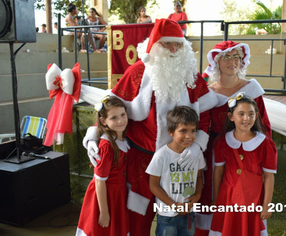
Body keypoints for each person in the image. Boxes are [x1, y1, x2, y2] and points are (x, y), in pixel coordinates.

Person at [82, 18, 217, 236]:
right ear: (154, 45)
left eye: (178, 44)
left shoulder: (191, 76)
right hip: (141, 158)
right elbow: (109, 107)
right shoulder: (136, 73)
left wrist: (197, 146)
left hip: (181, 160)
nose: (173, 49)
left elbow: (206, 113)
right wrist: (93, 136)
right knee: (138, 218)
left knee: (180, 215)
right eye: (167, 44)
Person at [195, 41, 271, 236]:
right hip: (215, 156)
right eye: (227, 57)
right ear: (216, 61)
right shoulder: (208, 93)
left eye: (236, 56)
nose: (232, 61)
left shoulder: (252, 90)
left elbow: (264, 128)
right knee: (214, 197)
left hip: (247, 156)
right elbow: (201, 126)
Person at [209, 93, 277, 236]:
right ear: (231, 116)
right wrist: (216, 201)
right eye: (241, 114)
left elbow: (269, 177)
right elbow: (218, 172)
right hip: (227, 199)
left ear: (256, 116)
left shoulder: (265, 144)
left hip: (252, 199)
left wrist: (267, 205)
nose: (246, 118)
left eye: (250, 114)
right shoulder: (222, 142)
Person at [146, 106, 205, 236]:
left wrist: (197, 196)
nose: (189, 136)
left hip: (189, 213)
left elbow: (199, 177)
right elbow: (153, 185)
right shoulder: (161, 155)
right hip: (167, 215)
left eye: (193, 131)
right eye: (183, 131)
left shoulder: (197, 154)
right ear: (171, 132)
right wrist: (173, 205)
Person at [76, 96, 130, 236]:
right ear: (103, 121)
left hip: (117, 194)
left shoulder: (122, 138)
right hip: (105, 196)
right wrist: (104, 212)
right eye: (114, 118)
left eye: (123, 115)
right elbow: (100, 181)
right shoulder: (107, 147)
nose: (120, 120)